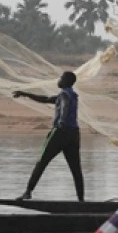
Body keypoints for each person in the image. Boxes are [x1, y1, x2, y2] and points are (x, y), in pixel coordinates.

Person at [13, 71, 83, 201]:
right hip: (74, 134)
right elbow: (45, 99)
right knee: (76, 168)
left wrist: (62, 121)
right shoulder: (72, 95)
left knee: (42, 162)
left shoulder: (64, 95)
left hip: (61, 132)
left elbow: (65, 107)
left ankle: (28, 192)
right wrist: (25, 94)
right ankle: (81, 200)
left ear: (66, 81)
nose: (59, 80)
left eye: (61, 78)